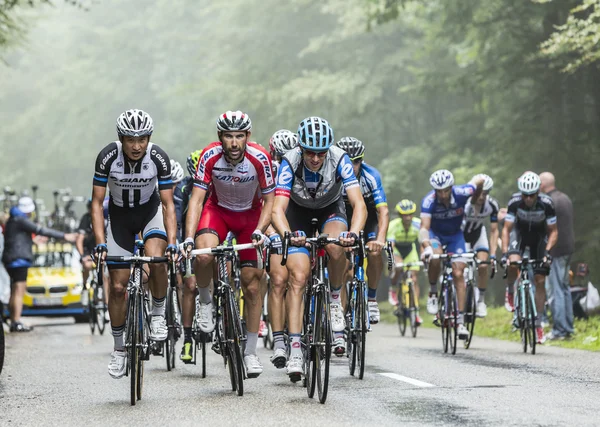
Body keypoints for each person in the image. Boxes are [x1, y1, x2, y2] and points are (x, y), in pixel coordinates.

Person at [271, 116, 367, 379]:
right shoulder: (289, 161)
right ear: (301, 148)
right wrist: (288, 235)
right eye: (310, 153)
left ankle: (335, 299)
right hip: (297, 212)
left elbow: (358, 204)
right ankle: (295, 349)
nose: (315, 159)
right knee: (298, 277)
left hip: (330, 209)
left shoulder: (339, 158)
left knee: (336, 247)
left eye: (320, 153)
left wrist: (353, 234)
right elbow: (277, 209)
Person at [183, 110, 275, 378]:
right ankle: (205, 302)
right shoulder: (209, 156)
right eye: (228, 137)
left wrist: (260, 230)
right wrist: (189, 237)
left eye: (239, 136)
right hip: (219, 211)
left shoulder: (260, 158)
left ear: (248, 136)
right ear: (220, 137)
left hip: (250, 217)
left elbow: (270, 201)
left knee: (253, 285)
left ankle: (250, 353)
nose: (234, 143)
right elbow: (197, 200)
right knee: (202, 255)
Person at [91, 109, 178, 378]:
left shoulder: (158, 157)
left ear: (149, 138)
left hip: (149, 212)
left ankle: (159, 314)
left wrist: (172, 243)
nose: (137, 146)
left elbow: (167, 205)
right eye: (130, 140)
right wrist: (100, 243)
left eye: (142, 139)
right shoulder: (107, 156)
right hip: (119, 218)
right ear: (121, 139)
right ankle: (119, 350)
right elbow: (96, 203)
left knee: (158, 257)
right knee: (117, 287)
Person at [419, 170, 484, 340]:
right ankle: (433, 292)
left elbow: (479, 180)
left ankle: (461, 321)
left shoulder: (462, 192)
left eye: (446, 190)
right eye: (438, 191)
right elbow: (424, 228)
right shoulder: (428, 201)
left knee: (458, 273)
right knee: (435, 257)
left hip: (456, 236)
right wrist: (426, 246)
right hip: (436, 235)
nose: (442, 194)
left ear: (451, 187)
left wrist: (476, 197)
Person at [2, 196, 77, 332]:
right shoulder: (21, 219)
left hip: (11, 258)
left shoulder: (13, 219)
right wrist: (64, 236)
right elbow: (40, 230)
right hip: (19, 259)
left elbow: (17, 238)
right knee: (19, 290)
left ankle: (13, 320)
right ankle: (16, 321)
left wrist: (33, 241)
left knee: (14, 290)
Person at [336, 137, 389, 324]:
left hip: (368, 220)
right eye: (348, 162)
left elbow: (383, 211)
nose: (352, 166)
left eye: (356, 161)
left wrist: (380, 240)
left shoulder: (371, 175)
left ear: (362, 160)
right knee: (339, 262)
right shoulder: (333, 176)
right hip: (342, 217)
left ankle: (372, 300)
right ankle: (339, 314)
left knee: (374, 253)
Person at [501, 171, 557, 344]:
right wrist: (505, 254)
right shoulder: (514, 202)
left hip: (539, 238)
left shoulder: (547, 203)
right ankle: (510, 290)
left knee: (540, 280)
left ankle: (538, 324)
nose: (528, 199)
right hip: (520, 235)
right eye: (525, 195)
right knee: (513, 263)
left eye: (532, 195)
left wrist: (547, 252)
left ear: (538, 192)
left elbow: (553, 231)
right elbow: (507, 230)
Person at [266, 129, 298, 368]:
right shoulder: (267, 168)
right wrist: (269, 232)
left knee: (299, 281)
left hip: (297, 223)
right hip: (273, 226)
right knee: (278, 281)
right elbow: (261, 204)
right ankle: (278, 340)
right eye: (279, 155)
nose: (282, 160)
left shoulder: (301, 166)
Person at [540, 171, 575, 340]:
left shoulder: (549, 202)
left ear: (543, 185)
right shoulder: (564, 198)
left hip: (556, 250)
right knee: (565, 289)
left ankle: (560, 330)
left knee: (556, 291)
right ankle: (568, 327)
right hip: (568, 249)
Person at [462, 174, 499, 317]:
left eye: (486, 193)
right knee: (460, 268)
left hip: (478, 233)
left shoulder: (492, 205)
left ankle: (481, 301)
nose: (482, 196)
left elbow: (494, 230)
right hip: (462, 234)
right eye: (480, 192)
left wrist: (493, 254)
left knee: (483, 265)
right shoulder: (464, 202)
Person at [387, 200, 422, 325]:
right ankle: (393, 288)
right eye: (404, 215)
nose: (408, 218)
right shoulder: (393, 225)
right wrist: (394, 259)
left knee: (414, 278)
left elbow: (423, 242)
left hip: (410, 249)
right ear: (400, 215)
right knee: (399, 267)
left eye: (410, 214)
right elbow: (390, 245)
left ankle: (415, 311)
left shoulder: (418, 224)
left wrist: (424, 254)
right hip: (396, 249)